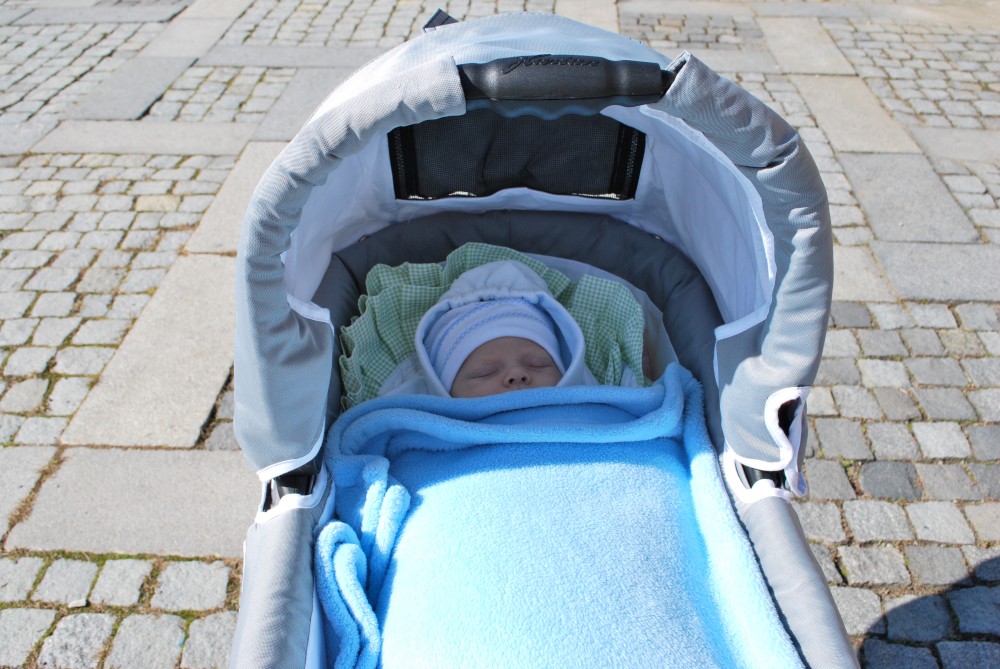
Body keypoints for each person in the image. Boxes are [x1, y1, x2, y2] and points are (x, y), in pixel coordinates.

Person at [411, 260, 600, 397]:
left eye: (537, 364)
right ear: (445, 390)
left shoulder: (598, 419)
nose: (517, 374)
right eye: (485, 372)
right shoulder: (421, 428)